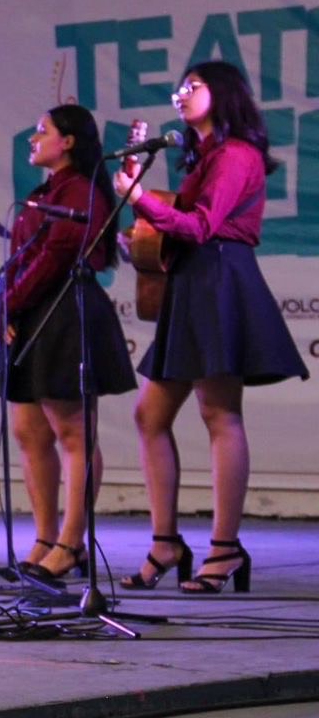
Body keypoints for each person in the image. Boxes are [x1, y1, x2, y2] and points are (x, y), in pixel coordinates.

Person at [113, 62, 308, 594]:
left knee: (219, 412)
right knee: (149, 415)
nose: (180, 93)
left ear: (222, 94)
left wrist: (140, 199)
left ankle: (225, 549)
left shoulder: (237, 155)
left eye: (192, 86)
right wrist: (144, 239)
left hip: (220, 278)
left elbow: (202, 226)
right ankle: (166, 543)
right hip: (194, 281)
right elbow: (184, 228)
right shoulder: (204, 158)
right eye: (179, 87)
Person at [0, 106, 135, 583]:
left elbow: (56, 257)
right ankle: (45, 537)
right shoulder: (45, 192)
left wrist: (11, 303)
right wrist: (9, 305)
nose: (34, 139)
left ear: (68, 141)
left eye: (43, 131)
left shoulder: (79, 191)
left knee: (74, 434)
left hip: (65, 310)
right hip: (35, 311)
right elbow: (25, 255)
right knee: (29, 431)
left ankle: (71, 543)